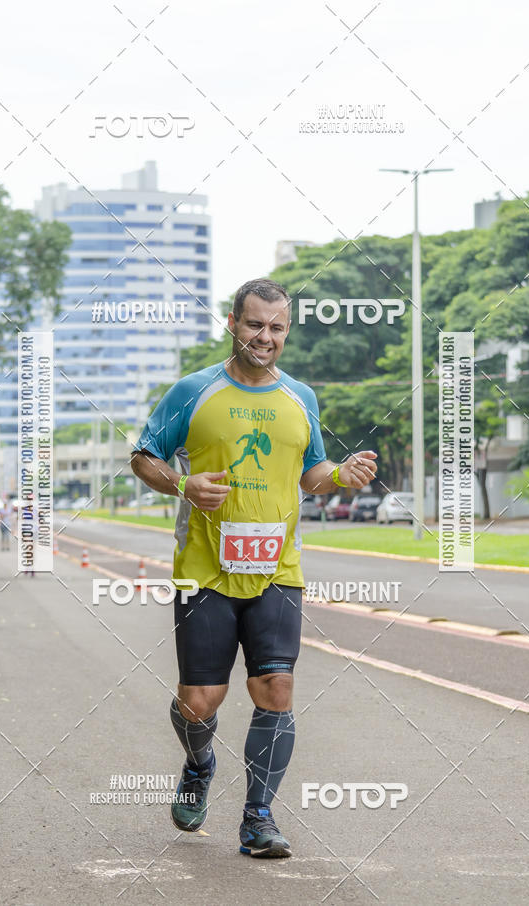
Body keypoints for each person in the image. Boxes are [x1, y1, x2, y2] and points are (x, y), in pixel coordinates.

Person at [131, 278, 377, 858]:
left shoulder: (301, 397)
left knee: (276, 687)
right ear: (232, 323)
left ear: (287, 332)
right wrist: (183, 484)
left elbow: (312, 472)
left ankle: (258, 818)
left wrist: (340, 475)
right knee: (199, 702)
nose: (265, 337)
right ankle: (199, 763)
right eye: (255, 324)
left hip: (277, 572)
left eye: (277, 327)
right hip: (204, 572)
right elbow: (143, 456)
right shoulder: (193, 391)